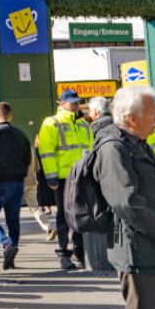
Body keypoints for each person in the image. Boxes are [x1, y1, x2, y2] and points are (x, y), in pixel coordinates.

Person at [92, 86, 155, 309]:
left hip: (154, 242)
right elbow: (126, 202)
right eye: (154, 114)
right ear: (132, 118)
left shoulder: (137, 143)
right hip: (137, 245)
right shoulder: (114, 148)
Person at [38, 89, 93, 270]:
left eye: (77, 102)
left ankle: (80, 251)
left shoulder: (84, 124)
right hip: (62, 179)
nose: (75, 105)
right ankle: (64, 253)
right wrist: (52, 178)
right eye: (72, 102)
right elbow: (47, 153)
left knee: (80, 215)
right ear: (61, 104)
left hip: (81, 177)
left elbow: (90, 150)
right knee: (63, 216)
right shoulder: (52, 123)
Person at [0, 101, 33, 270]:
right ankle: (12, 251)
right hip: (17, 183)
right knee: (13, 220)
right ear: (10, 116)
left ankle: (6, 244)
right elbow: (28, 159)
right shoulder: (21, 134)